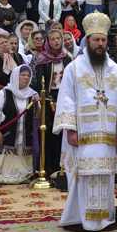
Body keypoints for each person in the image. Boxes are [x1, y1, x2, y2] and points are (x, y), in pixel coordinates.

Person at [55, 12, 117, 232]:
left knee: (106, 175)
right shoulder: (74, 68)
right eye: (95, 40)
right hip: (82, 135)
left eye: (103, 40)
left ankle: (105, 218)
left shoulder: (114, 69)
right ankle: (84, 219)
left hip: (108, 135)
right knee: (84, 175)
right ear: (87, 42)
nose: (100, 44)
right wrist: (70, 129)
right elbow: (67, 99)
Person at [0, 64, 39, 184]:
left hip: (26, 136)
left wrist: (37, 104)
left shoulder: (33, 94)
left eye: (28, 75)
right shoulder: (4, 92)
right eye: (22, 75)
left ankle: (24, 173)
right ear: (15, 76)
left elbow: (40, 117)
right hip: (7, 134)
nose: (26, 78)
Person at [32, 29, 70, 178]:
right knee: (48, 131)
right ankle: (48, 165)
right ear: (47, 42)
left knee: (62, 132)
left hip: (65, 97)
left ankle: (61, 165)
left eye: (58, 38)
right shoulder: (42, 59)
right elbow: (40, 83)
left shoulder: (66, 58)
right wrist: (50, 100)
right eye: (53, 39)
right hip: (48, 99)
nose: (56, 41)